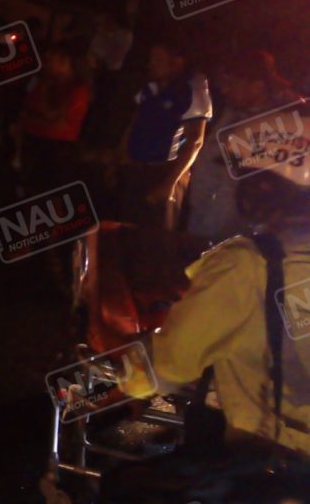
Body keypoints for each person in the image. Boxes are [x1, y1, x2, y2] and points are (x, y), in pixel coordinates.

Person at [99, 102, 310, 502]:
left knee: (124, 488)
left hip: (274, 460)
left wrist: (118, 374)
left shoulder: (248, 264)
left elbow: (168, 364)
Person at [186, 49, 299, 244]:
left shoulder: (276, 129)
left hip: (232, 238)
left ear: (257, 87)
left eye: (232, 83)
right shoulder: (230, 115)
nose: (225, 90)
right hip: (201, 222)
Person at [119, 39, 213, 230]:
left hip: (166, 173)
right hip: (137, 169)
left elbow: (195, 140)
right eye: (151, 59)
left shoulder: (191, 91)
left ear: (177, 62)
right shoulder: (149, 90)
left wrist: (170, 182)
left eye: (158, 60)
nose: (151, 64)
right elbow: (133, 124)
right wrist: (119, 156)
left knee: (156, 235)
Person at [17, 44, 92, 192]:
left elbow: (57, 121)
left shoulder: (77, 90)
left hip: (57, 149)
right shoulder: (43, 81)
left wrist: (35, 118)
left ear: (65, 62)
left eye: (51, 60)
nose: (45, 64)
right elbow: (27, 106)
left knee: (50, 194)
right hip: (34, 143)